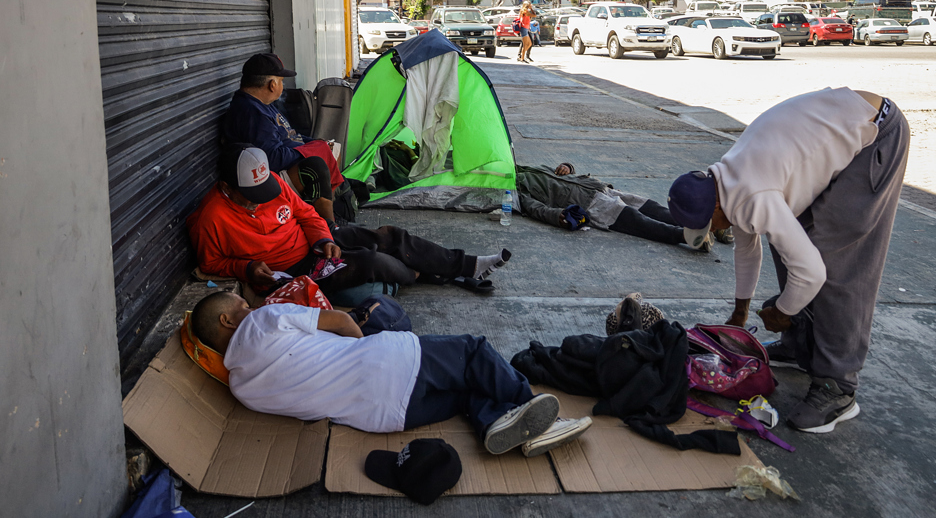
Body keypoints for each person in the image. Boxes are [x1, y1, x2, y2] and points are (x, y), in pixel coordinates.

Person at [666, 87, 909, 434]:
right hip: (839, 124)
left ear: (716, 208)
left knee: (832, 261)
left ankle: (838, 387)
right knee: (789, 241)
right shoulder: (727, 181)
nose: (712, 232)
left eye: (708, 225)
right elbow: (747, 248)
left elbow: (811, 273)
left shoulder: (753, 194)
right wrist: (740, 311)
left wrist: (783, 310)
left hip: (875, 132)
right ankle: (799, 344)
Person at [192, 290, 592, 457]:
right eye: (240, 303)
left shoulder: (241, 388)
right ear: (227, 321)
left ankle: (493, 423)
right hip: (389, 365)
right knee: (474, 352)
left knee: (466, 390)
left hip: (386, 419)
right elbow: (342, 324)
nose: (249, 304)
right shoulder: (265, 318)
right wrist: (361, 347)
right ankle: (542, 416)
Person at [187, 144, 512, 306]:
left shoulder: (271, 183)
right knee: (372, 261)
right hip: (294, 273)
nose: (259, 201)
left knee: (388, 236)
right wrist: (246, 269)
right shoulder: (210, 219)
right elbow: (210, 263)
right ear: (227, 187)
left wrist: (324, 239)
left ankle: (465, 265)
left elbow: (307, 215)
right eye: (249, 197)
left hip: (315, 248)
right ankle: (441, 273)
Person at [223, 53, 345, 223]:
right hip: (272, 176)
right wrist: (307, 152)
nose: (282, 85)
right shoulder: (251, 113)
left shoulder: (262, 104)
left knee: (331, 147)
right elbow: (272, 159)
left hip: (288, 158)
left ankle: (330, 208)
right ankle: (329, 225)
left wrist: (316, 144)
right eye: (281, 81)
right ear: (272, 85)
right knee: (316, 165)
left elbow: (292, 135)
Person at [515, 162, 721, 251]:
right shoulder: (518, 189)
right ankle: (687, 236)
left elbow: (564, 171)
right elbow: (535, 209)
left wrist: (567, 166)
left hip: (597, 187)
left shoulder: (529, 167)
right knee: (634, 219)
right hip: (589, 204)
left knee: (648, 206)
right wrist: (557, 215)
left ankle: (700, 224)